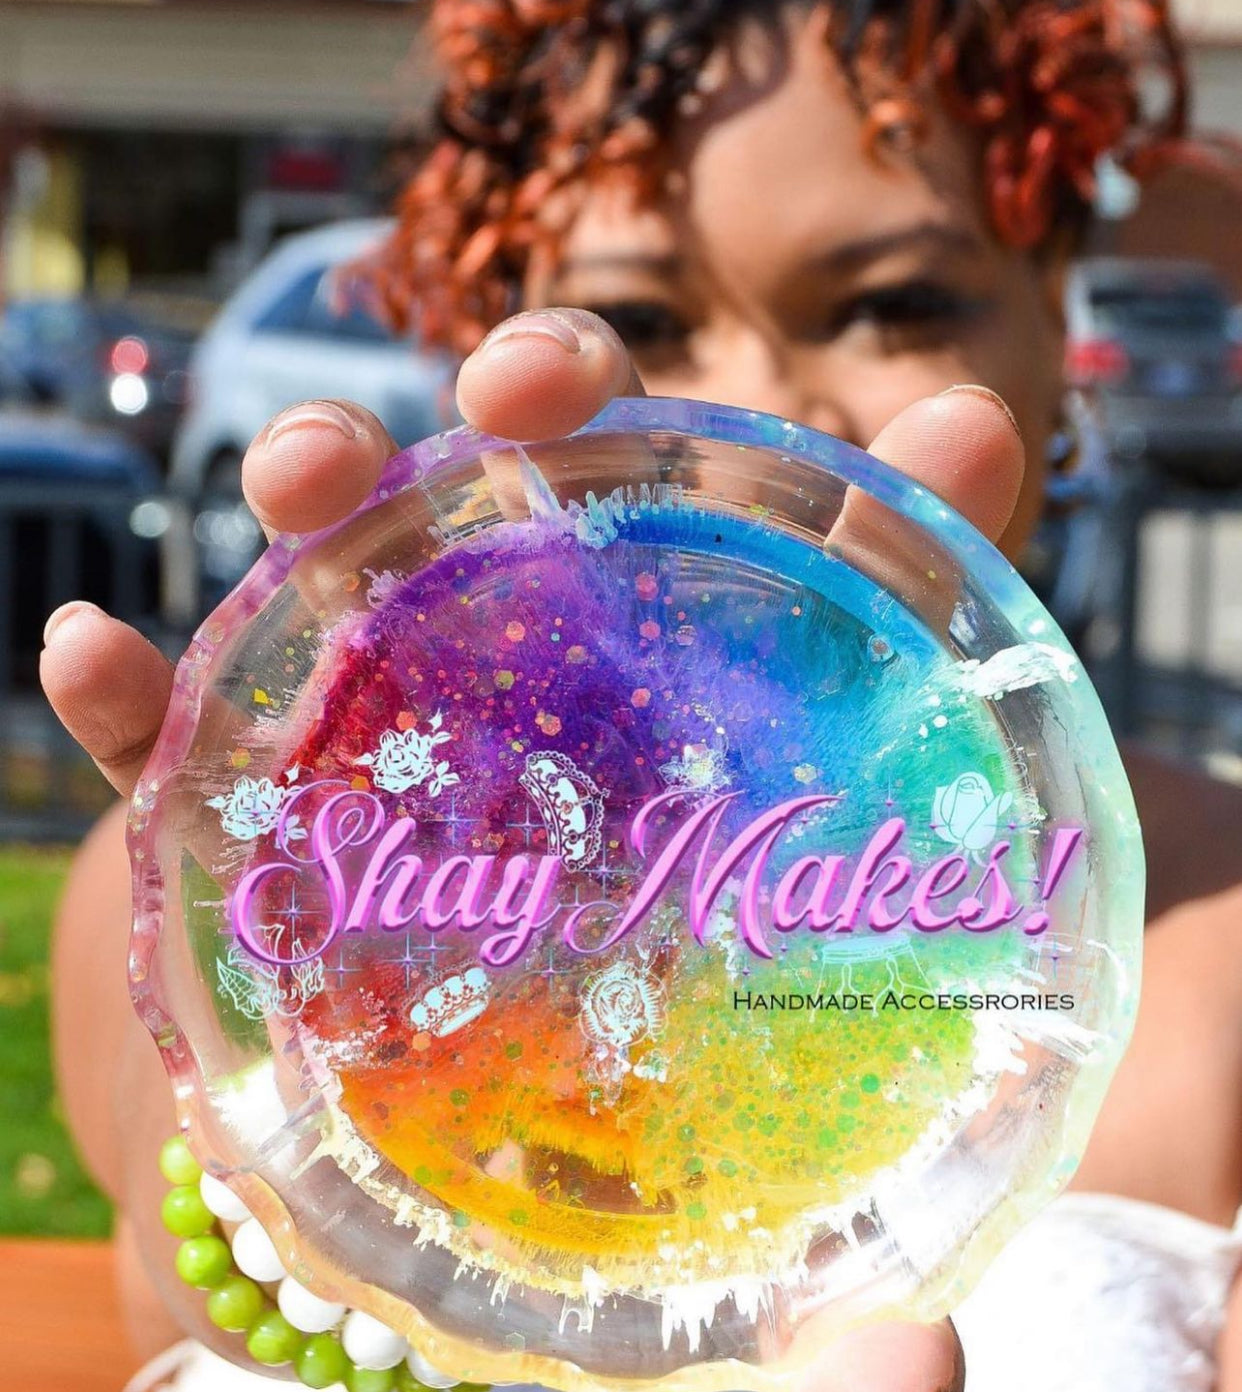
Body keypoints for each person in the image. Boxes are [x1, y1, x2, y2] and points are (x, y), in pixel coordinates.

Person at [38, 1, 1242, 1388]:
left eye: (895, 302)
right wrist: (360, 1076)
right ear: (473, 342)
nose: (775, 402)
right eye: (649, 316)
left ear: (1057, 314)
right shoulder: (241, 877)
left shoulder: (1218, 936)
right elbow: (192, 1202)